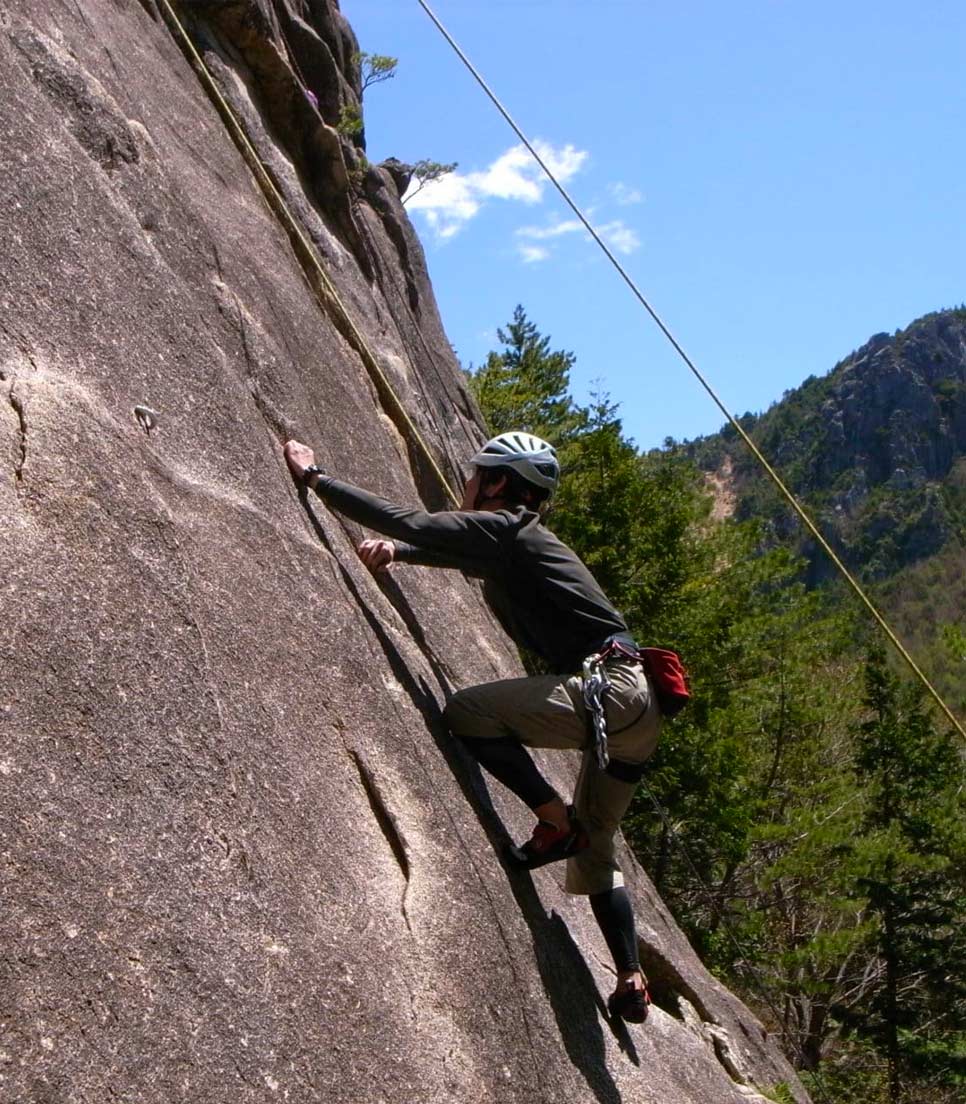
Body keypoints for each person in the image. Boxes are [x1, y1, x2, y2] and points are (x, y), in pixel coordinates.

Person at [283, 431, 662, 1023]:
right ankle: (631, 975)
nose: (466, 482)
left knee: (467, 713)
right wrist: (400, 554)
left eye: (475, 472)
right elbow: (456, 553)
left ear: (498, 481)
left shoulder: (508, 528)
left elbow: (412, 520)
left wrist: (315, 477)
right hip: (640, 709)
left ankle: (553, 816)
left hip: (609, 693)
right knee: (597, 842)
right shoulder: (518, 539)